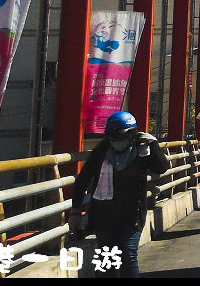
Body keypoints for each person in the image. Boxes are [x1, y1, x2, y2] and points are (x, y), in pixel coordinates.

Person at [70, 111, 169, 278]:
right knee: (106, 257)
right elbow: (82, 180)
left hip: (132, 215)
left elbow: (161, 167)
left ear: (132, 134)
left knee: (128, 255)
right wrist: (75, 212)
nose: (116, 141)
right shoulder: (101, 153)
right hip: (103, 214)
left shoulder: (141, 151)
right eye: (112, 137)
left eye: (120, 136)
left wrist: (153, 145)